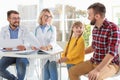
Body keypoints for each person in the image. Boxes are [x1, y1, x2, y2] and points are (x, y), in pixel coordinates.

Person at [69, 2, 120, 80]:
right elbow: (93, 47)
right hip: (94, 61)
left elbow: (111, 54)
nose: (88, 17)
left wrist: (97, 70)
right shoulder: (95, 29)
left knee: (95, 77)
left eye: (89, 15)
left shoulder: (113, 28)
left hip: (111, 64)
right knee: (72, 71)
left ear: (97, 16)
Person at [0, 10, 39, 80]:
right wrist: (5, 47)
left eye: (18, 18)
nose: (17, 20)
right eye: (14, 18)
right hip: (9, 55)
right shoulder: (3, 29)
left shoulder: (25, 29)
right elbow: (1, 43)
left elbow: (33, 43)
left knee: (20, 69)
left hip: (22, 55)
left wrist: (25, 47)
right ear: (8, 19)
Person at [34, 8, 57, 80]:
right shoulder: (36, 29)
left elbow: (53, 41)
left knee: (52, 68)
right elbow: (34, 41)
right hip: (42, 54)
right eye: (45, 16)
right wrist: (33, 46)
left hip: (51, 53)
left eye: (49, 16)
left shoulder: (52, 28)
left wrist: (47, 47)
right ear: (41, 16)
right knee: (45, 76)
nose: (47, 18)